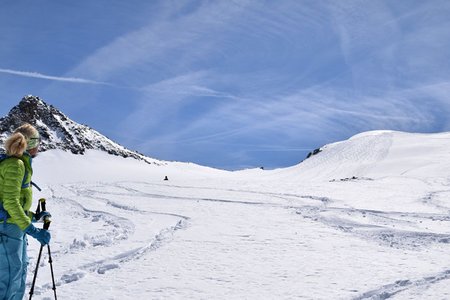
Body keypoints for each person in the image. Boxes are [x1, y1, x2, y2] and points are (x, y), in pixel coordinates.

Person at [0, 123, 51, 299]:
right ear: (30, 143)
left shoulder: (21, 164)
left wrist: (33, 217)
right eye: (38, 141)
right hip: (7, 229)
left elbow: (15, 206)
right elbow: (10, 203)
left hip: (14, 227)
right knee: (8, 280)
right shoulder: (15, 165)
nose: (40, 146)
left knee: (18, 274)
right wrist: (31, 230)